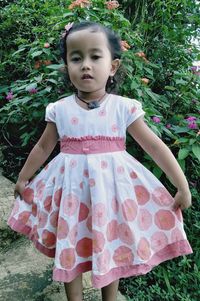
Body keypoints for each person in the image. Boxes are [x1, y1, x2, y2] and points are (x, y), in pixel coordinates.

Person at [8, 21, 192, 301]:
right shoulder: (59, 110)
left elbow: (154, 147)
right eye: (76, 58)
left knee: (110, 246)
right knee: (68, 247)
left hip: (110, 197)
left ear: (113, 67)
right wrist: (23, 178)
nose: (85, 65)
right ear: (67, 66)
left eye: (95, 57)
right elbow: (44, 146)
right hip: (70, 198)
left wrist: (181, 185)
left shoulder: (123, 108)